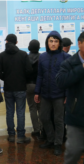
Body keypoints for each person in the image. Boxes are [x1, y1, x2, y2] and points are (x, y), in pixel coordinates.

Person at [34, 31, 71, 156]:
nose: (53, 44)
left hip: (59, 95)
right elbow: (39, 76)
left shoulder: (65, 57)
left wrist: (67, 93)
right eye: (51, 41)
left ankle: (57, 143)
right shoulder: (42, 57)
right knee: (44, 117)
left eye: (56, 41)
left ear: (59, 43)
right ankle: (50, 139)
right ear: (47, 42)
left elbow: (69, 78)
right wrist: (37, 92)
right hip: (45, 94)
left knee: (58, 120)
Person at [0, 34, 32, 144]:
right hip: (21, 87)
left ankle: (11, 135)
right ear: (16, 42)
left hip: (8, 88)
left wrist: (6, 78)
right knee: (20, 112)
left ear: (6, 41)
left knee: (10, 111)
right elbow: (29, 71)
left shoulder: (1, 55)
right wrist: (23, 79)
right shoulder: (23, 54)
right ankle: (21, 136)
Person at [56, 32, 84, 164]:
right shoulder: (69, 62)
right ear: (80, 43)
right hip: (76, 116)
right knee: (74, 151)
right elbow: (61, 82)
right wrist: (81, 68)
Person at [25, 40, 42, 139]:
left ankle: (36, 130)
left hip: (28, 85)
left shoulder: (25, 58)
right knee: (40, 108)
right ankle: (42, 128)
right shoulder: (42, 57)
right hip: (39, 85)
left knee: (32, 108)